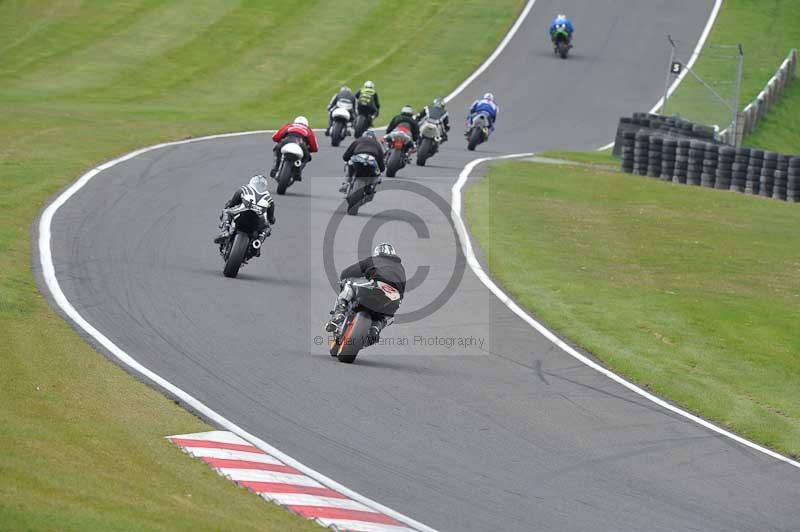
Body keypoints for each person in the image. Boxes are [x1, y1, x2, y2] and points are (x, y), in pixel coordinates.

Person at [325, 243, 406, 341]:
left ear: (377, 253)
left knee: (348, 285)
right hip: (394, 296)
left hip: (376, 286)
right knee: (388, 315)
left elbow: (347, 272)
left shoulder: (373, 260)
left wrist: (344, 279)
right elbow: (402, 289)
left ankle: (340, 313)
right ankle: (376, 327)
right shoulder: (400, 267)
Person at [213, 175, 275, 255]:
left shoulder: (245, 189)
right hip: (257, 220)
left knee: (226, 212)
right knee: (267, 228)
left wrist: (229, 205)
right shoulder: (269, 198)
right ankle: (258, 243)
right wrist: (272, 219)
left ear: (252, 182)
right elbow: (271, 218)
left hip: (242, 213)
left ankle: (225, 231)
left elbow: (233, 203)